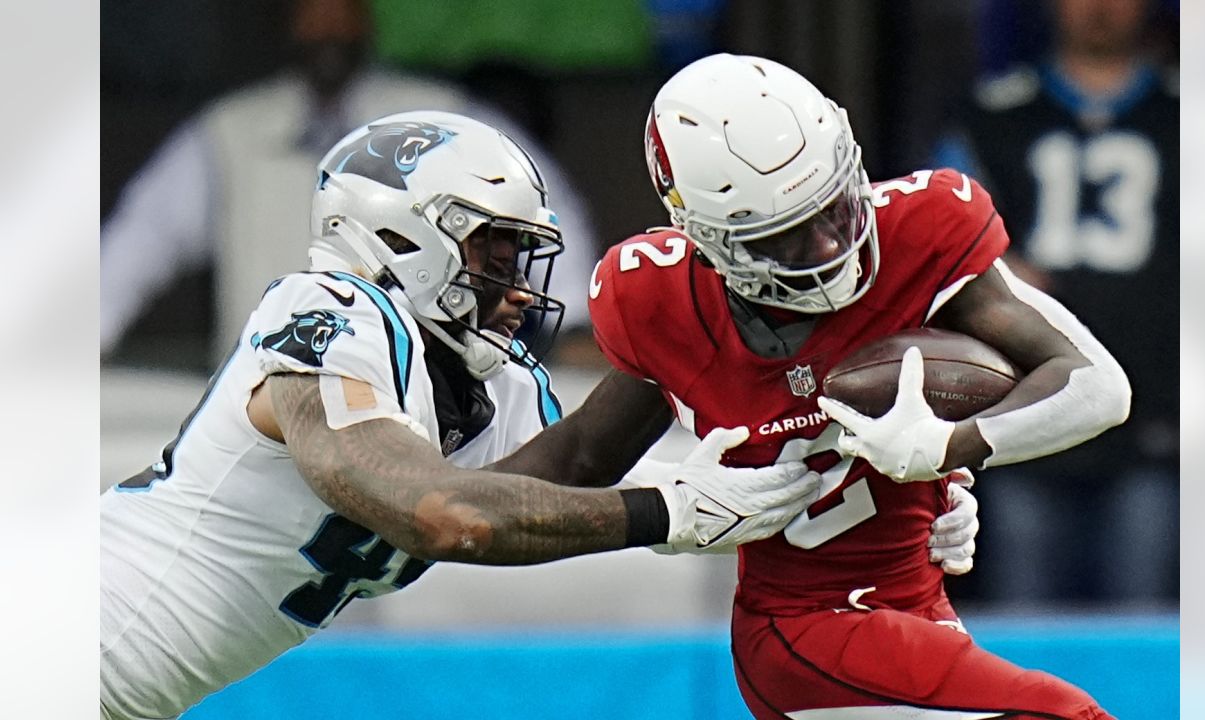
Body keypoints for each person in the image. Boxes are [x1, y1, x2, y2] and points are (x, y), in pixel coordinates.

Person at [99, 109, 983, 719]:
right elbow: (442, 514)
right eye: (493, 248)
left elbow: (683, 483)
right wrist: (672, 512)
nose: (520, 283)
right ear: (401, 236)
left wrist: (896, 495)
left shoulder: (496, 386)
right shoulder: (326, 315)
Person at [573, 54, 1130, 718]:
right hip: (808, 630)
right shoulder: (664, 303)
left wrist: (948, 453)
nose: (830, 244)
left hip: (917, 603)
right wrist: (667, 503)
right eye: (787, 237)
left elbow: (1098, 386)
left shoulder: (915, 234)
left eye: (835, 207)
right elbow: (579, 461)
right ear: (709, 242)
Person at [100, 0, 597, 364]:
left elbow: (533, 201)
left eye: (342, 8)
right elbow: (141, 240)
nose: (328, 22)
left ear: (367, 16)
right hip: (260, 397)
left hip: (417, 390)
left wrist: (574, 321)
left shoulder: (437, 113)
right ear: (287, 20)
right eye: (312, 9)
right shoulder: (230, 132)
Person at [931, 0, 1178, 603]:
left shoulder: (1192, 118)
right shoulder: (989, 116)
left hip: (1153, 427)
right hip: (1024, 423)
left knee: (1139, 637)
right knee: (1026, 640)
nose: (1099, 8)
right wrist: (986, 270)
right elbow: (929, 246)